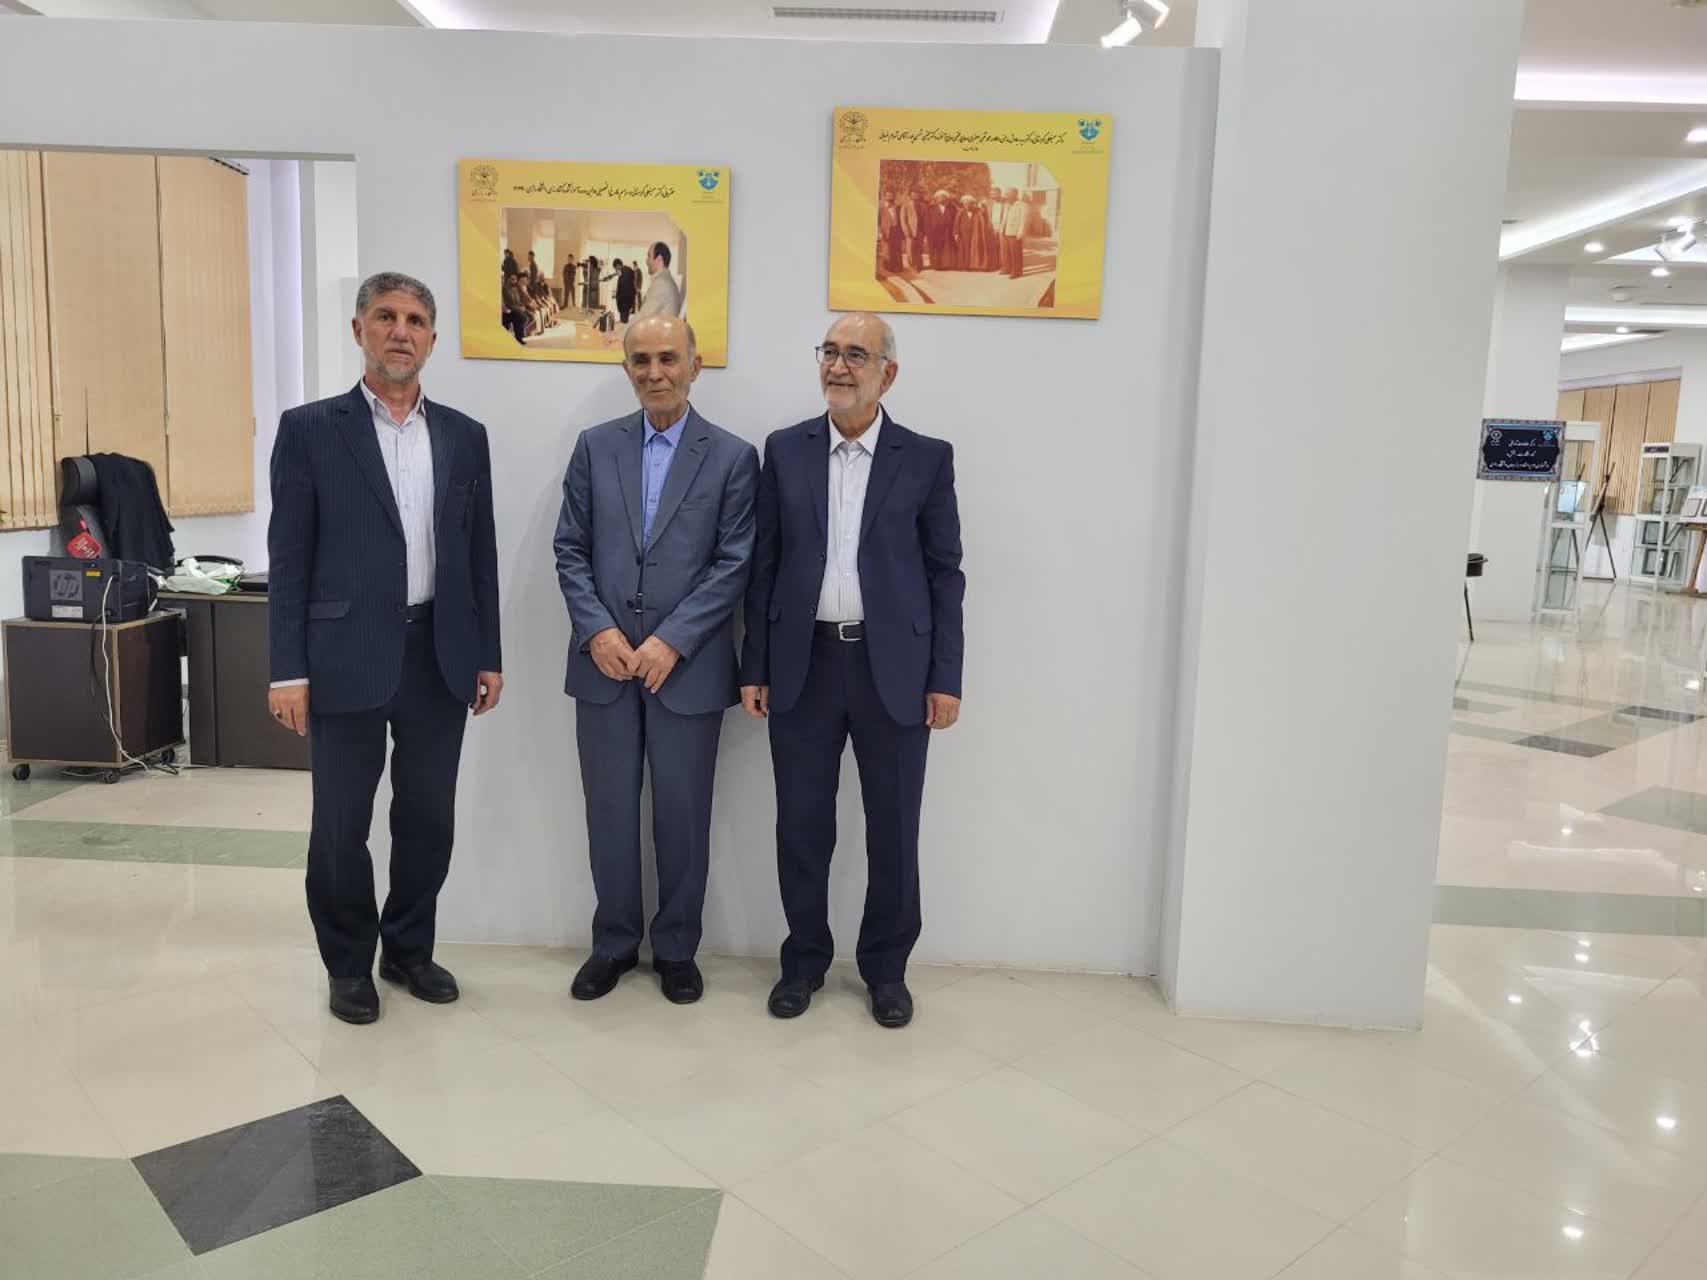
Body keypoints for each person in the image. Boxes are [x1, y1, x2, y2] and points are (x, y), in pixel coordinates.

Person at [267, 271, 504, 1026]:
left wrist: (488, 653)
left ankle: (407, 950)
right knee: (341, 824)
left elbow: (479, 554)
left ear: (432, 337)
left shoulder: (465, 436)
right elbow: (289, 559)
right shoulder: (310, 429)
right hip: (343, 655)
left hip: (440, 653)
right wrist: (286, 669)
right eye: (385, 316)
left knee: (428, 818)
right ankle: (348, 964)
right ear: (359, 329)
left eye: (415, 320)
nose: (401, 331)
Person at [740, 313, 964, 1030]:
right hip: (801, 663)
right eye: (830, 353)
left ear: (887, 374)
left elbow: (945, 573)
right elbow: (764, 565)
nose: (839, 366)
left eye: (856, 355)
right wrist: (755, 665)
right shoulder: (785, 450)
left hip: (892, 669)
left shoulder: (925, 458)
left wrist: (945, 676)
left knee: (893, 828)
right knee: (802, 826)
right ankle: (803, 961)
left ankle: (886, 971)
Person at [554, 314, 758, 1004]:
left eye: (668, 359)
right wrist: (598, 632)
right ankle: (613, 944)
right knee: (608, 812)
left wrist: (672, 639)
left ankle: (675, 948)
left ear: (694, 366)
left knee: (682, 815)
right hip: (604, 666)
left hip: (687, 669)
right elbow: (570, 548)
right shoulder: (594, 447)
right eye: (640, 360)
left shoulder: (731, 457)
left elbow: (734, 561)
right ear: (626, 369)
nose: (654, 373)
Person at [637, 241, 683, 318]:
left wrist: (623, 326)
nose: (646, 261)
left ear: (659, 259)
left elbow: (642, 317)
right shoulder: (665, 280)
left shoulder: (662, 283)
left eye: (649, 256)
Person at [1002, 187, 1028, 279]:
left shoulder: (1022, 205)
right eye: (1006, 194)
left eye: (1008, 194)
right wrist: (1002, 229)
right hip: (1006, 231)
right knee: (1007, 252)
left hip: (1015, 232)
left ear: (1015, 195)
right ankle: (1007, 269)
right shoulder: (1007, 205)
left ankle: (1017, 272)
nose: (1006, 196)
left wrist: (1020, 232)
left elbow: (1023, 220)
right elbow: (1005, 218)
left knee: (1015, 253)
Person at [929, 190, 959, 271]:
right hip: (936, 232)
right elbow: (929, 221)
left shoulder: (952, 209)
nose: (941, 199)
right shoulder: (932, 209)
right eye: (939, 197)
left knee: (947, 248)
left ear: (946, 199)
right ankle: (937, 265)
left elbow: (955, 220)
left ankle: (946, 264)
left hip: (947, 232)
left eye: (943, 197)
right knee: (937, 248)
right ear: (936, 199)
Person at [500, 271, 529, 344]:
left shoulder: (515, 289)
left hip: (514, 309)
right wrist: (518, 308)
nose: (514, 281)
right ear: (508, 279)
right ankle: (518, 337)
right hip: (508, 310)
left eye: (515, 279)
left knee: (522, 318)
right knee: (521, 317)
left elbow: (518, 301)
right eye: (512, 279)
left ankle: (519, 337)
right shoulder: (505, 288)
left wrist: (521, 306)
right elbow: (507, 303)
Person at [899, 189, 922, 272]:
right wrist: (906, 230)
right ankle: (912, 264)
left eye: (917, 194)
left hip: (919, 230)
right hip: (910, 230)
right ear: (910, 196)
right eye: (913, 194)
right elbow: (903, 219)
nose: (915, 196)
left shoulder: (921, 205)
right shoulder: (905, 205)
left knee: (919, 248)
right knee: (910, 248)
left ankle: (919, 264)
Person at [878, 191, 900, 274]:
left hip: (895, 230)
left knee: (895, 249)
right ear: (885, 196)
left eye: (891, 196)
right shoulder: (881, 208)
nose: (890, 197)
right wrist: (880, 232)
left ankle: (895, 267)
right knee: (886, 250)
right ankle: (886, 267)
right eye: (888, 196)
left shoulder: (897, 207)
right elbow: (878, 221)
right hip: (886, 231)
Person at [985, 187, 1005, 271]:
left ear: (999, 194)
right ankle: (993, 264)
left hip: (1002, 226)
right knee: (992, 246)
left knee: (1002, 247)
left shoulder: (1005, 202)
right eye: (991, 194)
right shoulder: (988, 203)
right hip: (991, 227)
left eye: (994, 194)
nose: (992, 196)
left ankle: (1003, 265)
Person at [614, 258, 638, 324]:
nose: (616, 270)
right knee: (625, 320)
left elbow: (622, 289)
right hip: (628, 303)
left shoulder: (624, 273)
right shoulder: (629, 271)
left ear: (618, 265)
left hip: (623, 303)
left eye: (615, 268)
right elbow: (633, 288)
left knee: (623, 322)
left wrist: (619, 305)